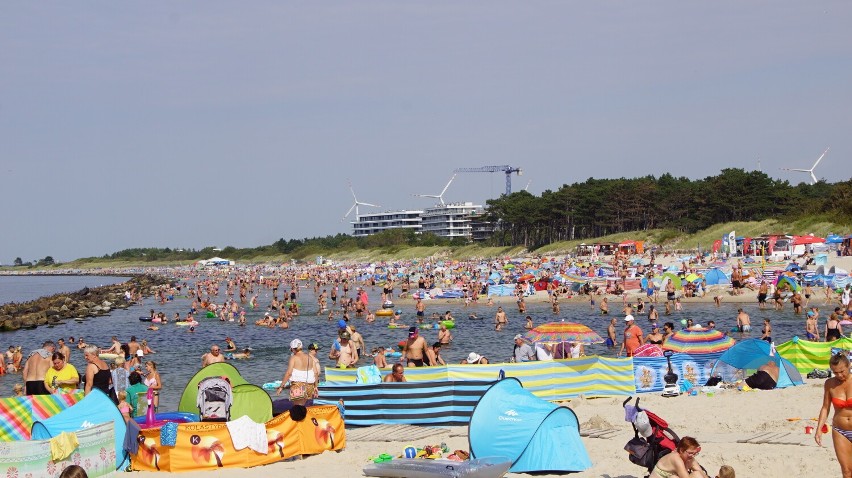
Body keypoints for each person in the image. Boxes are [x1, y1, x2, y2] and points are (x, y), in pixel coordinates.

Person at [815, 353, 852, 477]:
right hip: (840, 431)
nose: (839, 375)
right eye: (835, 372)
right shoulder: (830, 384)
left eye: (842, 371)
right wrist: (819, 429)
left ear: (849, 366)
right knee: (846, 471)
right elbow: (825, 408)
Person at [275, 339, 317, 405]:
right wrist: (316, 387)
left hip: (297, 385)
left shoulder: (293, 358)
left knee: (297, 408)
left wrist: (281, 387)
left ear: (293, 349)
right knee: (307, 408)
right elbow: (315, 373)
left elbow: (289, 373)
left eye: (291, 350)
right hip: (309, 385)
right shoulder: (310, 358)